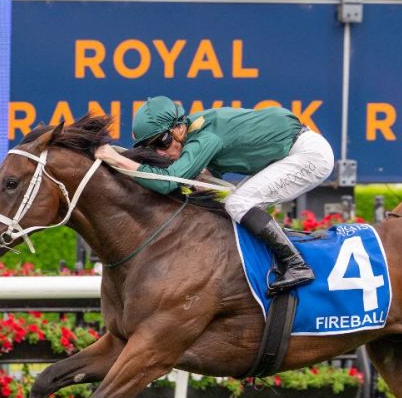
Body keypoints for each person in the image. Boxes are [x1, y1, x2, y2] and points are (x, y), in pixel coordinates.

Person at [94, 96, 334, 294]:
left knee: (239, 202)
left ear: (179, 129)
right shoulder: (195, 132)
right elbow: (198, 179)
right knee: (230, 201)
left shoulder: (205, 137)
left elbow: (168, 182)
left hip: (309, 155)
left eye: (163, 142)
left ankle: (297, 264)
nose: (160, 153)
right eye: (151, 148)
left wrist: (116, 158)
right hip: (289, 152)